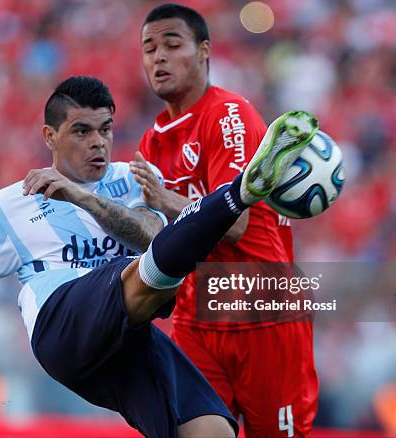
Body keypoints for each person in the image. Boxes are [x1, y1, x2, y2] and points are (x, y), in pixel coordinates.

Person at [0, 75, 317, 438]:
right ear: (50, 136)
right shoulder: (7, 205)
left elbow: (156, 235)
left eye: (105, 129)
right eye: (82, 131)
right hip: (61, 326)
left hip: (127, 331)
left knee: (210, 427)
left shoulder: (133, 177)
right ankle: (240, 192)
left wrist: (85, 199)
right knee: (140, 276)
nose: (98, 142)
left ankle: (235, 193)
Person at [130, 4, 319, 437]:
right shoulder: (152, 138)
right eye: (149, 48)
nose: (158, 57)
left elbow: (235, 224)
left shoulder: (229, 116)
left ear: (204, 52)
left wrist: (164, 199)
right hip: (198, 318)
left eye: (172, 44)